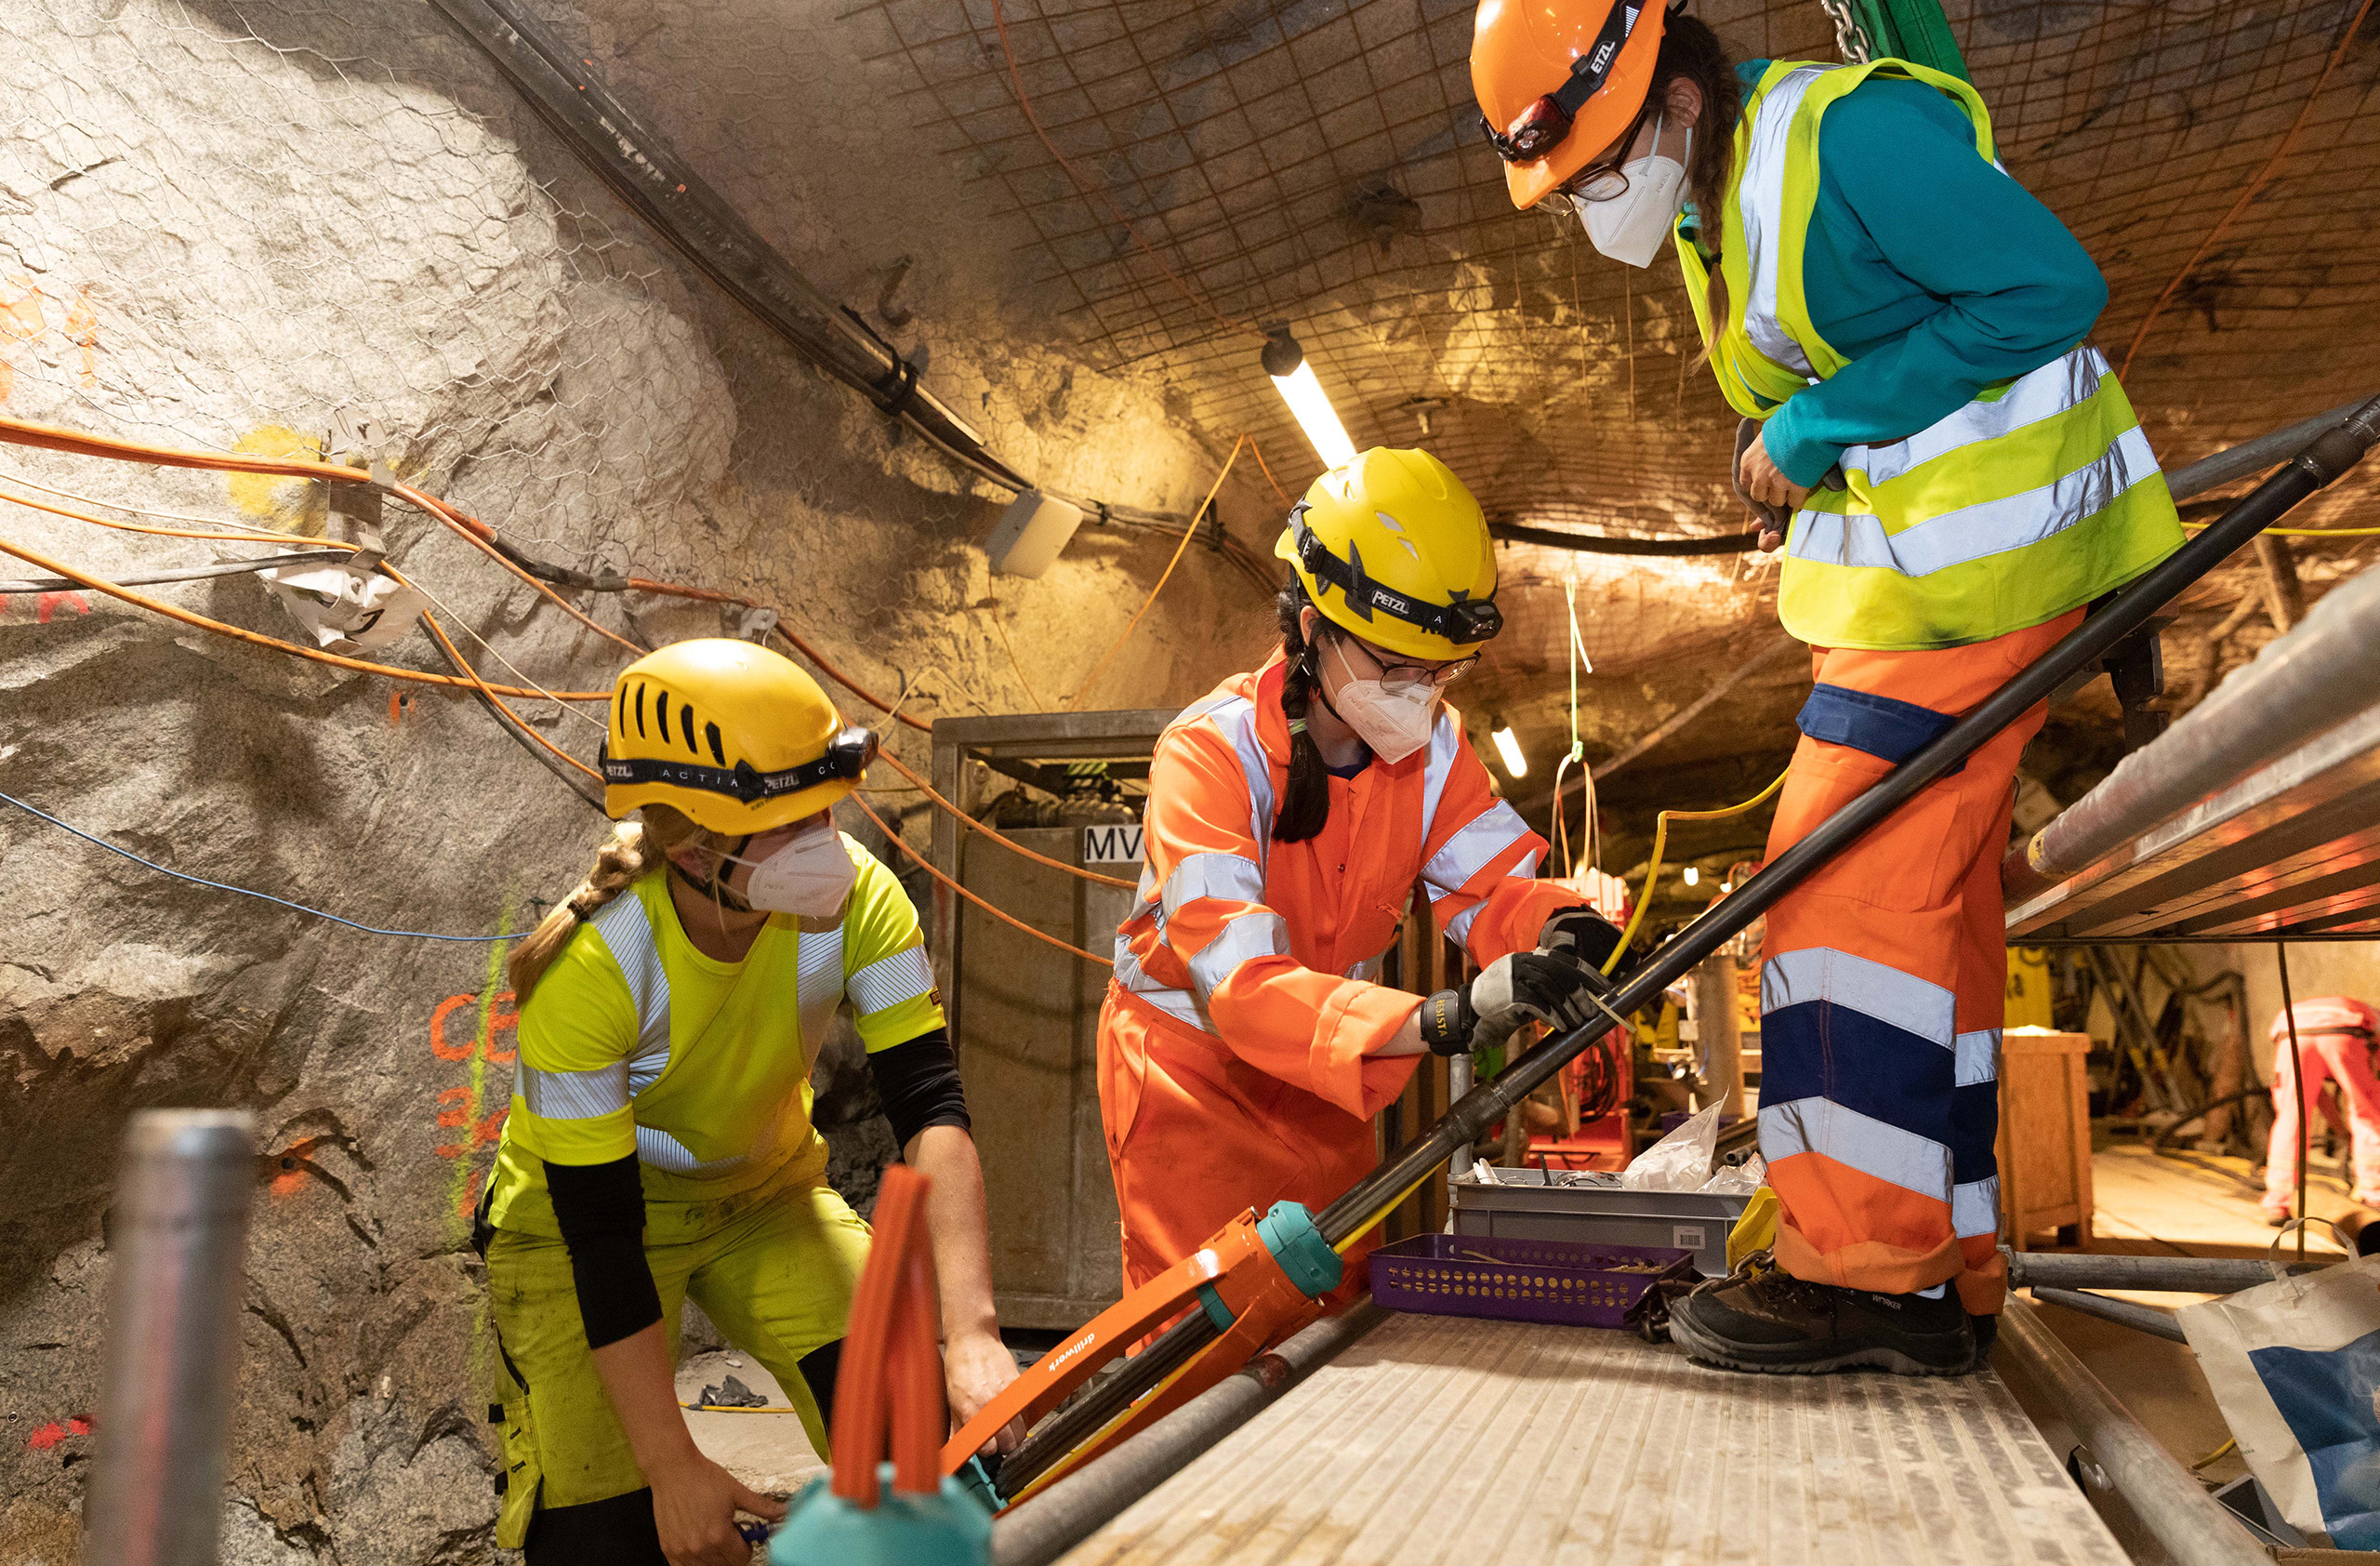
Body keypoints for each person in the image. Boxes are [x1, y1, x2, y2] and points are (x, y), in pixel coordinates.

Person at [1471, 1, 2184, 1374]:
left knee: (1831, 882)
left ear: (1676, 102)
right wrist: (1799, 461)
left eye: (1593, 170)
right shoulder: (1710, 207)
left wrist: (1808, 428)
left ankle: (1863, 1270)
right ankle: (1949, 1265)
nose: (1584, 208)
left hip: (1984, 574)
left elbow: (2050, 292)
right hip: (1914, 587)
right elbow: (1858, 354)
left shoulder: (1843, 134)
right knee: (1938, 916)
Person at [476, 639, 1020, 1566]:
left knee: (914, 1427)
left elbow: (930, 1105)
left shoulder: (859, 904)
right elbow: (603, 1237)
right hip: (581, 1233)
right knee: (608, 1535)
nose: (826, 842)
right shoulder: (594, 967)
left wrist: (970, 1333)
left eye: (825, 809)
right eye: (789, 821)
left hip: (766, 1199)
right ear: (693, 840)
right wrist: (672, 1463)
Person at [1101, 445, 1627, 1308]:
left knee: (1326, 1322)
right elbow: (1237, 980)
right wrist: (1443, 1017)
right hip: (1195, 1091)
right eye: (1394, 664)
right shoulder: (1209, 754)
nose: (1419, 692)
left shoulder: (1434, 750)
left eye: (1440, 670)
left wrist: (1559, 927)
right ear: (1312, 628)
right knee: (1203, 1344)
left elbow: (1493, 888)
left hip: (1332, 1085)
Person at [2262, 996, 2380, 1226]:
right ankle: (2375, 1194)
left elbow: (2315, 1095)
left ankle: (2279, 1202)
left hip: (2291, 1033)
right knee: (2369, 1114)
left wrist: (2340, 1130)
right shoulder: (2374, 1025)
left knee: (2290, 1117)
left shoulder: (2358, 1010)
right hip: (2347, 1033)